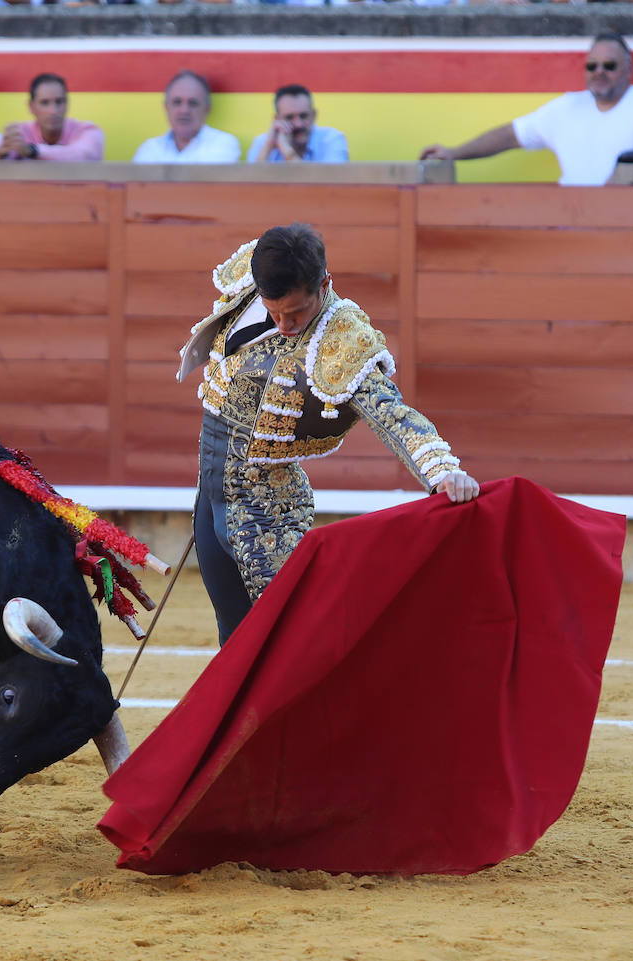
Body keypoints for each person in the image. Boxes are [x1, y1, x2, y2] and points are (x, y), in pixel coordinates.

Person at [177, 223, 479, 645]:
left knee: (292, 642)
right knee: (234, 633)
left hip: (267, 514)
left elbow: (391, 413)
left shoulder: (342, 338)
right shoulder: (255, 274)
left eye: (295, 313)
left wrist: (443, 470)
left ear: (324, 284)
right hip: (210, 499)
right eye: (273, 311)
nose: (284, 324)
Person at [420, 35, 633, 186]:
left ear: (628, 69)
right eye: (592, 66)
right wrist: (453, 153)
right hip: (568, 216)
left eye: (609, 65)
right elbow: (510, 136)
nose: (599, 72)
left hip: (628, 218)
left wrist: (628, 162)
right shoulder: (566, 106)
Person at [0, 73, 105, 162]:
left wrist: (33, 151)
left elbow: (84, 156)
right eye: (45, 103)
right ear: (31, 107)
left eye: (59, 102)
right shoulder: (21, 132)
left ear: (67, 104)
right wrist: (0, 152)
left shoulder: (88, 130)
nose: (53, 111)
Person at [132, 70, 241, 164]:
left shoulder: (223, 143)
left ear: (207, 109)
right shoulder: (149, 148)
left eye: (193, 103)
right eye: (177, 102)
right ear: (166, 107)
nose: (184, 110)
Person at [247, 84, 349, 164]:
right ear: (277, 119)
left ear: (314, 115)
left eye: (303, 116)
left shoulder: (331, 138)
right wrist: (268, 147)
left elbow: (332, 183)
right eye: (289, 117)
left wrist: (287, 152)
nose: (298, 124)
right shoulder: (263, 142)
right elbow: (248, 186)